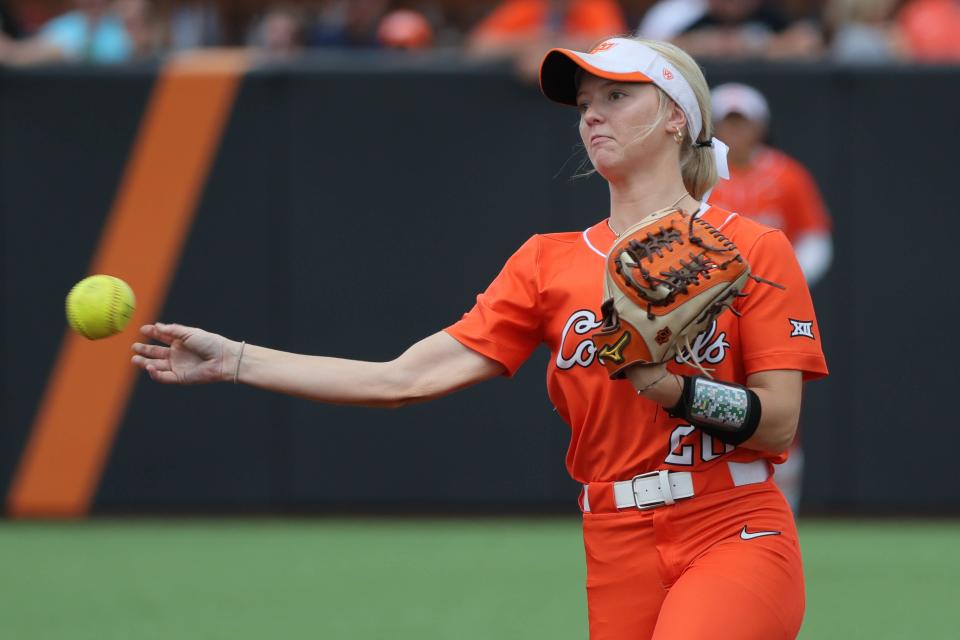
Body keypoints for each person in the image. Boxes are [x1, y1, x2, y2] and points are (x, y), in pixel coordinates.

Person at [131, 36, 827, 639]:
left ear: (677, 116)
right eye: (586, 101)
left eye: (617, 96)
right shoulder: (546, 262)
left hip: (732, 526)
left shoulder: (750, 249)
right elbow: (399, 379)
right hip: (616, 541)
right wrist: (235, 360)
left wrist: (669, 388)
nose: (592, 113)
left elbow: (777, 426)